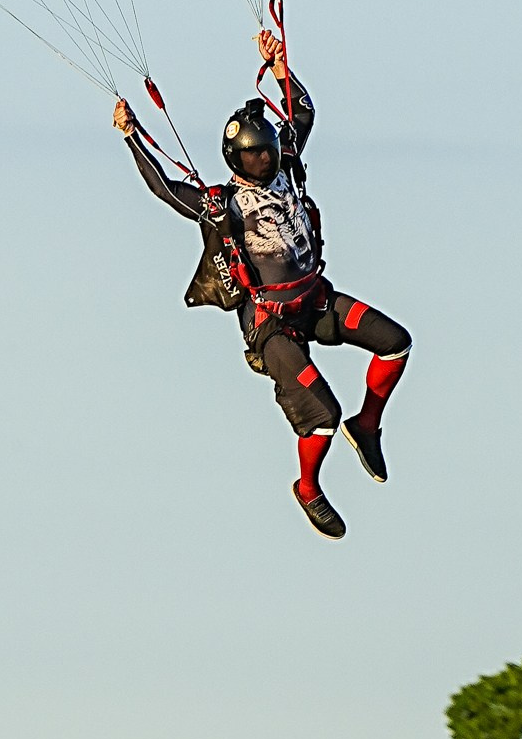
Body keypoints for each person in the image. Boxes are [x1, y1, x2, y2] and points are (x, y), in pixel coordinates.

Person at [115, 30, 410, 540]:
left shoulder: (289, 168)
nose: (266, 161)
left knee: (395, 344)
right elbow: (165, 188)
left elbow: (304, 113)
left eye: (269, 151)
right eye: (255, 157)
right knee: (322, 414)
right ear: (236, 160)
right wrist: (131, 134)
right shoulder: (223, 204)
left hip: (316, 299)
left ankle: (367, 427)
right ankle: (308, 488)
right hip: (271, 326)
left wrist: (278, 66)